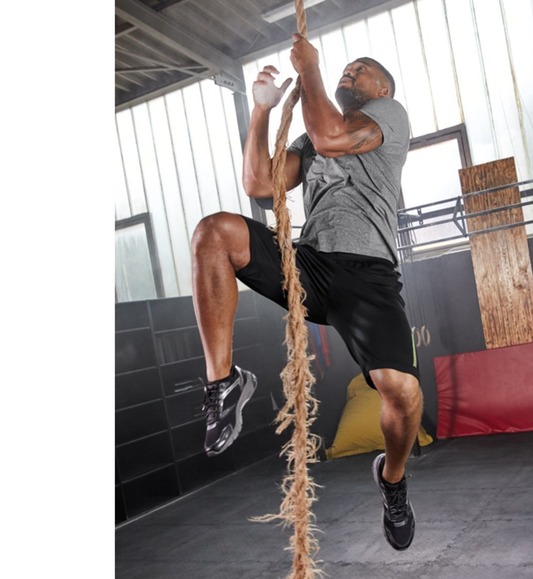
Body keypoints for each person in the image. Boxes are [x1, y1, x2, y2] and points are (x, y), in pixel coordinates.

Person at [189, 33, 423, 552]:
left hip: (369, 275)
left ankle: (393, 479)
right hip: (310, 265)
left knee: (402, 394)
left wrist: (312, 70)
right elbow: (258, 185)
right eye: (346, 67)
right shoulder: (312, 137)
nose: (350, 72)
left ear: (381, 86)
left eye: (360, 69)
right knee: (213, 233)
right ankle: (223, 383)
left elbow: (333, 138)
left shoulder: (387, 115)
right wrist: (260, 111)